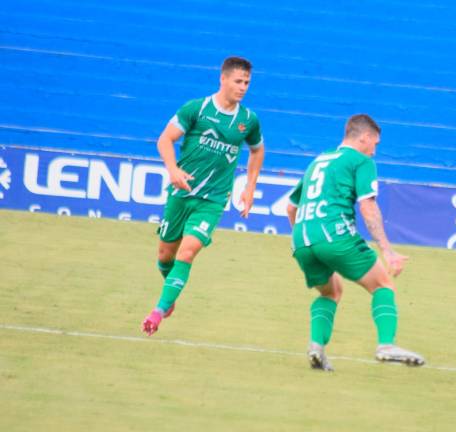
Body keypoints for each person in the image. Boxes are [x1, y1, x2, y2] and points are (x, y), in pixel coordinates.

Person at [286, 114, 425, 371]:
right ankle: (386, 345)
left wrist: (306, 238)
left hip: (302, 239)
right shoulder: (361, 161)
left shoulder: (319, 160)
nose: (375, 150)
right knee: (383, 284)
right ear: (365, 137)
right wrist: (388, 251)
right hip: (335, 234)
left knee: (331, 292)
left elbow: (291, 207)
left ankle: (316, 347)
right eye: (376, 143)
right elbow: (367, 206)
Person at [142, 56, 265, 335]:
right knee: (165, 255)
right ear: (222, 79)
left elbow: (257, 150)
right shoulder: (196, 109)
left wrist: (250, 187)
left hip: (213, 200)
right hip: (181, 193)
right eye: (238, 81)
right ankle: (169, 293)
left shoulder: (248, 120)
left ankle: (157, 312)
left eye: (247, 82)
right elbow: (165, 139)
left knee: (187, 253)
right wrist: (173, 170)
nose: (243, 87)